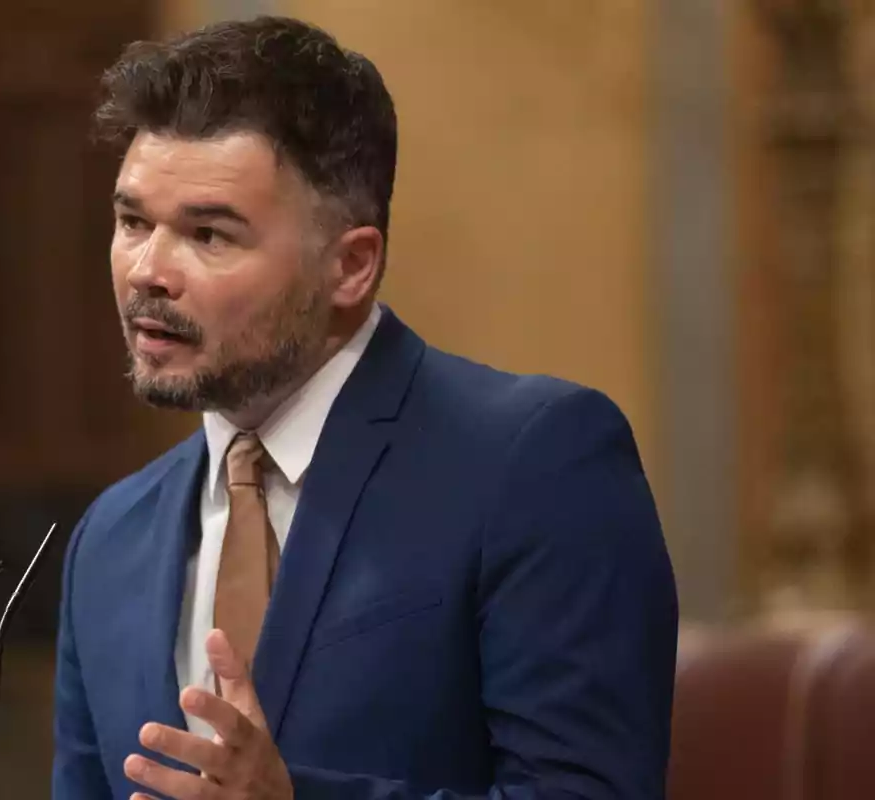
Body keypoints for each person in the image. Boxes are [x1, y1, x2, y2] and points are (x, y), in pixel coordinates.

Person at [53, 15, 678, 800]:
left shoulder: (533, 463)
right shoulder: (111, 537)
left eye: (209, 235)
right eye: (132, 221)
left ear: (350, 266)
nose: (147, 271)